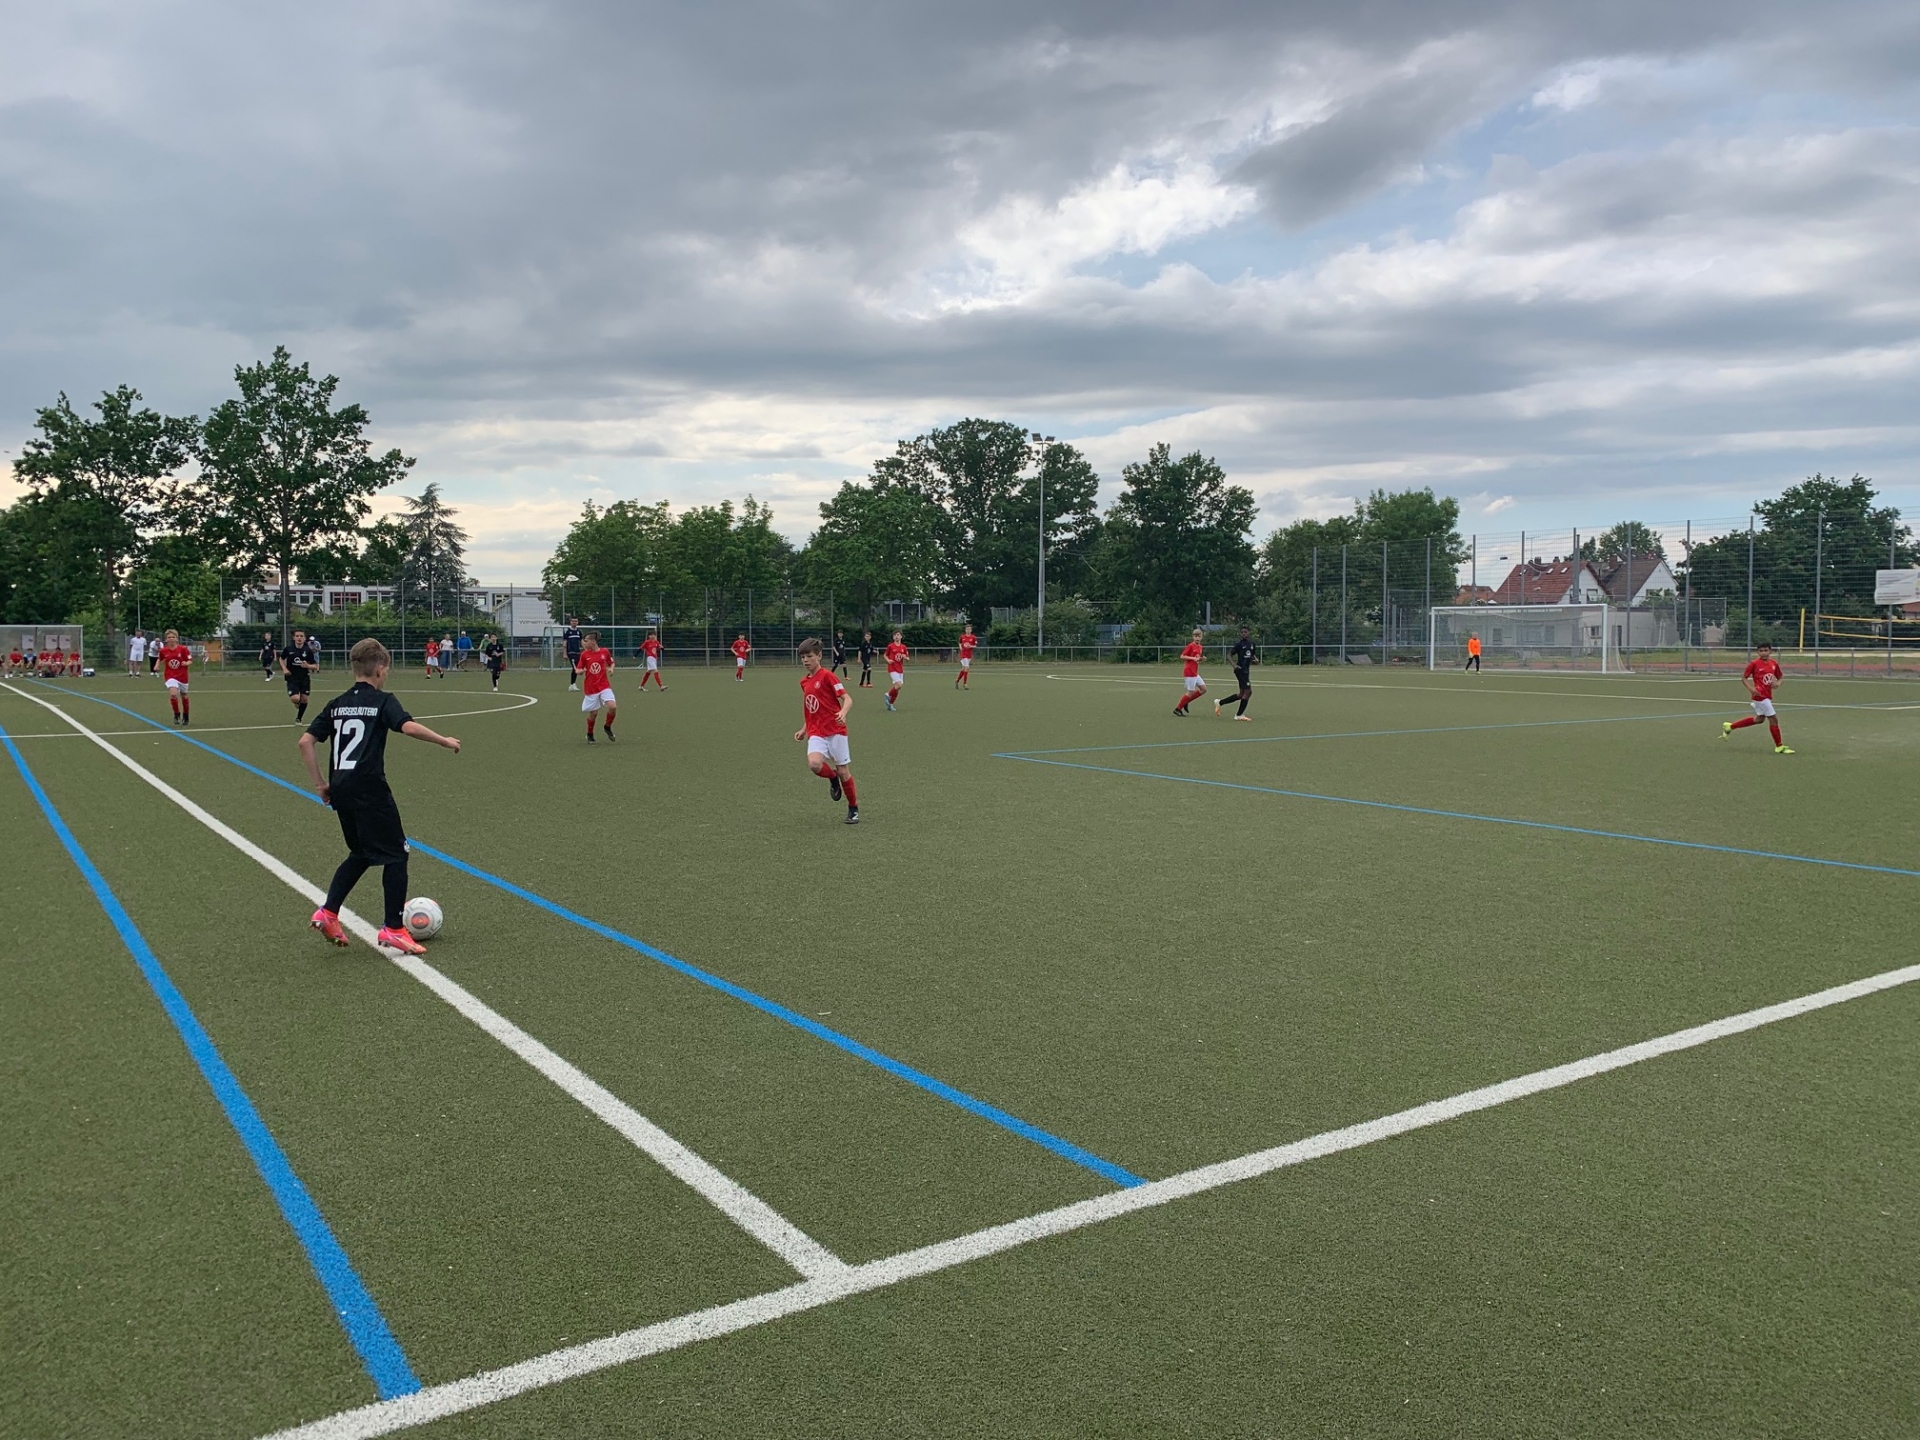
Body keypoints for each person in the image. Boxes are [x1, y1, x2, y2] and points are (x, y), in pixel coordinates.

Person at [300, 637, 461, 957]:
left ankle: (328, 912)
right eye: (386, 670)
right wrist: (444, 740)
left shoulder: (337, 703)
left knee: (361, 852)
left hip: (341, 787)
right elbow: (408, 727)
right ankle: (394, 928)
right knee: (397, 853)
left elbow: (305, 742)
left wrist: (321, 784)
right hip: (369, 788)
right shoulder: (383, 701)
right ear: (380, 669)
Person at [794, 637, 859, 825]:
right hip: (816, 732)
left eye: (809, 656)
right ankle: (832, 778)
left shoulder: (828, 676)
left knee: (844, 772)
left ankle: (853, 808)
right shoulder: (804, 682)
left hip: (836, 731)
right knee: (814, 764)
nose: (806, 660)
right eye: (803, 657)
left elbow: (847, 699)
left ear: (819, 656)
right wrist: (804, 729)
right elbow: (812, 709)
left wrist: (843, 712)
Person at [1722, 642, 1793, 754]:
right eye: (1761, 651)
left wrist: (1777, 683)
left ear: (1770, 651)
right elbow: (1744, 678)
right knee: (1773, 719)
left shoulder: (1773, 663)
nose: (1763, 653)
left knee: (1759, 719)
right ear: (1758, 652)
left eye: (1766, 650)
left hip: (1767, 695)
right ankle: (1779, 746)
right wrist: (1751, 689)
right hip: (1760, 696)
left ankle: (1730, 726)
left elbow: (1780, 677)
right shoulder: (1754, 664)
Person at [577, 630, 617, 742]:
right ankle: (590, 734)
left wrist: (611, 669)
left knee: (612, 707)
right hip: (591, 688)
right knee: (593, 714)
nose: (584, 643)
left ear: (593, 641)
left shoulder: (604, 652)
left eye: (586, 641)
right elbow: (578, 669)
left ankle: (607, 727)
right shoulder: (584, 655)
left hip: (604, 685)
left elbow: (611, 662)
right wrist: (580, 671)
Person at [1215, 625, 1256, 721]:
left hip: (1246, 671)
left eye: (1245, 632)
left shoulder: (1252, 644)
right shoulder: (1239, 644)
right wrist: (1234, 665)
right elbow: (1229, 655)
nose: (1243, 634)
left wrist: (1255, 660)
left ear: (1249, 633)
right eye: (1242, 632)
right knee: (1248, 692)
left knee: (1241, 694)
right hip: (1240, 670)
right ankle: (1239, 715)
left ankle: (1220, 702)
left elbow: (1252, 655)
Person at [156, 628, 192, 726]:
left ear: (176, 638)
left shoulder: (183, 649)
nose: (171, 639)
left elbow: (190, 660)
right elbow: (160, 658)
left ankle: (186, 715)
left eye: (173, 637)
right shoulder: (163, 650)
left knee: (184, 695)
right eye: (169, 637)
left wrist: (186, 663)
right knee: (173, 694)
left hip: (182, 676)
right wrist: (157, 665)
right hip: (170, 675)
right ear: (166, 639)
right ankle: (176, 714)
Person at [283, 628, 317, 722]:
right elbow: (281, 659)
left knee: (304, 699)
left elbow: (315, 666)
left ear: (304, 638)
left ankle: (299, 718)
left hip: (304, 678)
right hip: (292, 677)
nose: (299, 638)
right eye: (297, 636)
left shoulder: (308, 651)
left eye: (301, 636)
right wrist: (285, 669)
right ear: (294, 638)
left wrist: (308, 666)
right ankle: (297, 703)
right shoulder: (288, 649)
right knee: (295, 698)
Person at [1173, 627, 1207, 716]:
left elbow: (1197, 659)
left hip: (1195, 672)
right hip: (1189, 672)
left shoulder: (1200, 647)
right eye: (1196, 636)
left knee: (1203, 689)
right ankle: (1178, 709)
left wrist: (1202, 659)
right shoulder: (1190, 646)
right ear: (1193, 637)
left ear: (1201, 637)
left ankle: (1186, 701)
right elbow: (1182, 656)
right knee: (1190, 692)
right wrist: (1192, 658)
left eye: (1199, 636)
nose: (1197, 638)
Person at [883, 630, 908, 710]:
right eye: (895, 635)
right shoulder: (890, 646)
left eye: (898, 635)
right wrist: (888, 660)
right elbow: (885, 655)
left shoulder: (903, 647)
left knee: (897, 688)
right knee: (899, 685)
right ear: (893, 637)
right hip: (892, 668)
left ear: (901, 636)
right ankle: (888, 694)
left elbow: (908, 658)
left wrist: (905, 657)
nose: (897, 636)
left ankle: (890, 704)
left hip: (900, 669)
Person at [563, 617, 584, 689]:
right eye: (573, 621)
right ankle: (573, 684)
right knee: (576, 668)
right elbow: (565, 643)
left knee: (575, 668)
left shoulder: (579, 632)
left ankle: (572, 684)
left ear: (577, 622)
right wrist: (565, 654)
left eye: (576, 621)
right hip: (571, 652)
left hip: (577, 652)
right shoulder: (567, 632)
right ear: (570, 622)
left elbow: (582, 642)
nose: (574, 622)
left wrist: (586, 650)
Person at [956, 624, 978, 688]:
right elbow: (960, 643)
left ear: (971, 630)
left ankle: (957, 680)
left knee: (964, 669)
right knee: (967, 667)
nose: (968, 630)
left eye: (969, 629)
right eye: (967, 629)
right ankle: (965, 684)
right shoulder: (962, 637)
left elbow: (975, 646)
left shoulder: (973, 637)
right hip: (963, 654)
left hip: (969, 655)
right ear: (965, 630)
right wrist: (960, 647)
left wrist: (970, 646)